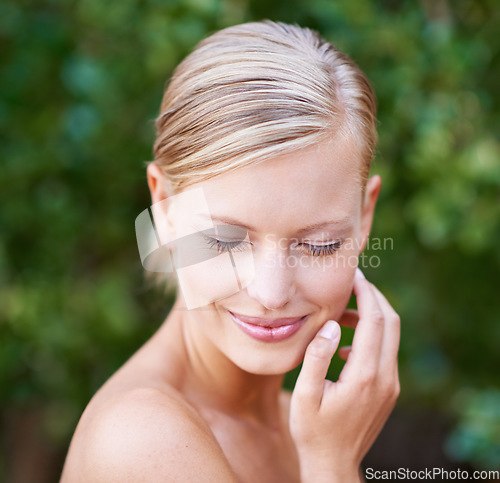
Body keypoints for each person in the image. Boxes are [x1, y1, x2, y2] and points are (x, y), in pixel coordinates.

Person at [61, 20, 400, 482]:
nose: (271, 292)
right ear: (165, 207)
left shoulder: (308, 423)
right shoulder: (143, 439)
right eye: (225, 240)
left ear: (365, 219)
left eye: (319, 244)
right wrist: (331, 468)